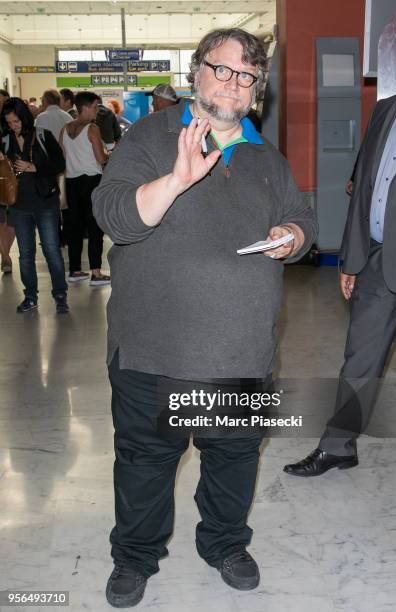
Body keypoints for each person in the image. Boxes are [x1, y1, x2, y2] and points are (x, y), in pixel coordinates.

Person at [92, 27, 317, 608]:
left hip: (242, 355)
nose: (234, 83)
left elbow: (301, 218)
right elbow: (115, 215)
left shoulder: (265, 154)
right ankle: (135, 556)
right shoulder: (151, 135)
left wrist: (292, 236)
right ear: (197, 71)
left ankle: (223, 543)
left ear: (255, 87)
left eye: (247, 75)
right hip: (153, 353)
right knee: (145, 466)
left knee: (235, 459)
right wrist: (176, 179)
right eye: (223, 69)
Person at [284, 47, 396, 478]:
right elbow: (364, 184)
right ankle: (338, 446)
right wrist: (351, 258)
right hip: (375, 259)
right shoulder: (387, 110)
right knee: (360, 360)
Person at [0, 97, 68, 313]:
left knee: (51, 251)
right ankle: (30, 296)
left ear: (25, 118)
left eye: (16, 122)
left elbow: (59, 164)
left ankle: (60, 295)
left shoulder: (42, 136)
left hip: (45, 203)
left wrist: (34, 167)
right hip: (19, 205)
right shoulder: (5, 141)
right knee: (25, 254)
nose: (13, 126)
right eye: (9, 123)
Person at [60, 91, 110, 286]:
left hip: (71, 182)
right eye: (96, 106)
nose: (97, 110)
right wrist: (108, 154)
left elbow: (63, 158)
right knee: (94, 227)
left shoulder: (64, 129)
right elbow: (100, 158)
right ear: (86, 107)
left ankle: (74, 270)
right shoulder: (92, 129)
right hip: (91, 182)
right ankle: (96, 272)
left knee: (74, 227)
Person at [0, 88, 15, 274]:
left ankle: (6, 253)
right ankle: (5, 257)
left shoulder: (14, 124)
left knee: (12, 222)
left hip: (12, 176)